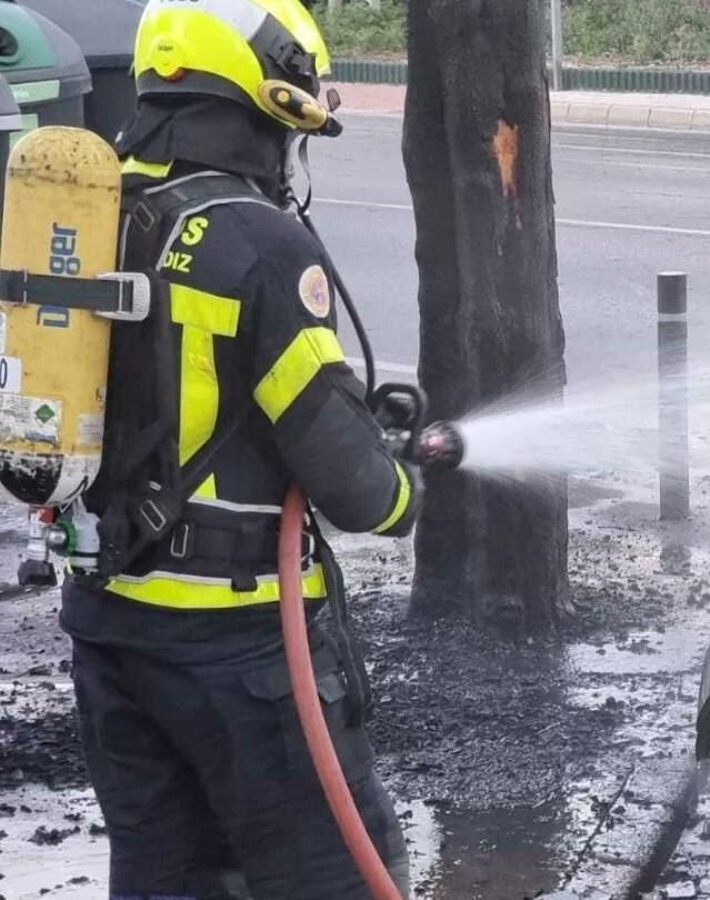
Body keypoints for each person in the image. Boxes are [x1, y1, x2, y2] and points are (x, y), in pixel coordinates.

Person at [59, 0, 422, 896]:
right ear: (258, 106)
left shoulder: (87, 218)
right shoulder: (256, 239)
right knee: (335, 876)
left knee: (164, 878)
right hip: (243, 651)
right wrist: (407, 480)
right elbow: (357, 490)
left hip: (109, 630)